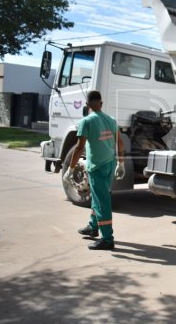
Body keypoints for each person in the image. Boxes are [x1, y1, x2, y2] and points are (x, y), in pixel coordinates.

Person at [63, 90, 125, 250]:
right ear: (101, 104)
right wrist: (121, 163)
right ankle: (93, 226)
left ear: (87, 105)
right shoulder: (111, 120)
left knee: (102, 201)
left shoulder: (87, 121)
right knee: (99, 197)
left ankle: (107, 239)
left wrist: (70, 169)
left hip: (97, 166)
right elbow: (120, 142)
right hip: (110, 164)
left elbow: (79, 147)